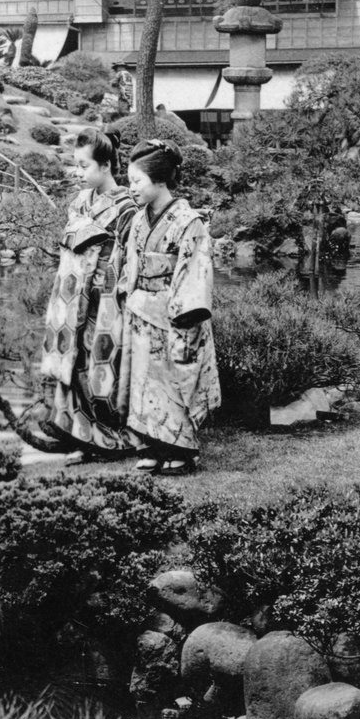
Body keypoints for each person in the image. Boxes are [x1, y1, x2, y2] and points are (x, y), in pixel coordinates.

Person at [117, 138, 220, 476]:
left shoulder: (189, 222)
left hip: (173, 313)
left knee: (173, 380)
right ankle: (147, 445)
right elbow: (128, 264)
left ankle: (180, 448)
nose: (131, 188)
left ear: (159, 179)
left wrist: (181, 314)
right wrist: (126, 295)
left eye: (136, 181)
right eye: (130, 181)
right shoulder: (137, 220)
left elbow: (194, 271)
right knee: (141, 381)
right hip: (140, 310)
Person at [40, 128, 137, 462]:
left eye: (84, 166)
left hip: (106, 298)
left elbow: (130, 258)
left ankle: (110, 438)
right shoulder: (81, 202)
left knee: (103, 364)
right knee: (74, 362)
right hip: (72, 297)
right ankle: (79, 435)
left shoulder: (127, 207)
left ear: (106, 165)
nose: (77, 173)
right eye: (76, 166)